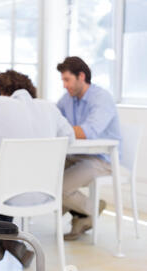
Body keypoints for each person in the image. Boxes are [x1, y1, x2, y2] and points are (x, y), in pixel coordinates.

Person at [0, 70, 75, 267]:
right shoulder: (49, 108)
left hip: (11, 194)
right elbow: (70, 138)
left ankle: (8, 241)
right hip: (46, 193)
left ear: (1, 91)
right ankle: (7, 244)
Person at [56, 56, 122, 241]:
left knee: (59, 189)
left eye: (67, 79)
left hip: (102, 159)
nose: (64, 85)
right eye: (63, 80)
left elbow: (87, 132)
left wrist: (58, 127)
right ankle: (82, 215)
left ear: (81, 76)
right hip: (78, 155)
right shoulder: (67, 99)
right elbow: (54, 119)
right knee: (45, 176)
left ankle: (91, 208)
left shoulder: (101, 98)